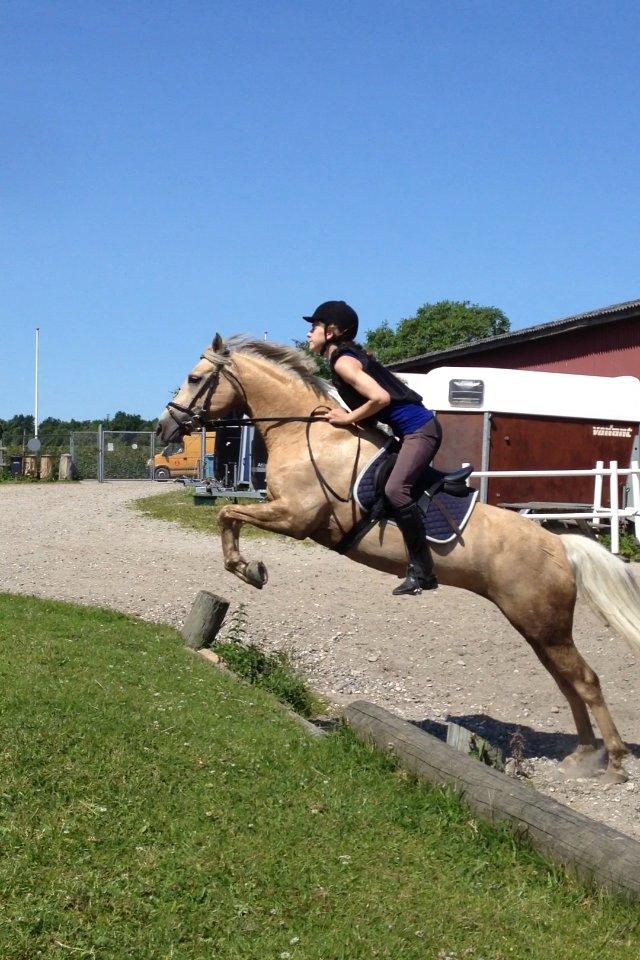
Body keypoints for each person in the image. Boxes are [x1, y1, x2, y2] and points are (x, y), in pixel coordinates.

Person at [305, 300, 442, 596]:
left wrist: (347, 418)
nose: (308, 334)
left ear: (331, 331)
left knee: (396, 490)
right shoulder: (342, 358)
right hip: (408, 433)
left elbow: (380, 398)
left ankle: (423, 571)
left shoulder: (342, 361)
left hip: (420, 431)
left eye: (313, 327)